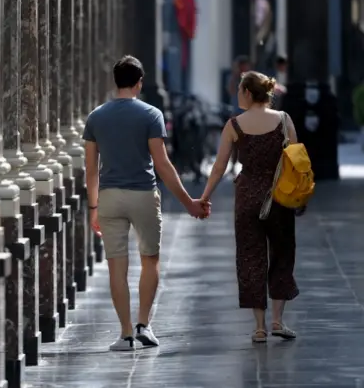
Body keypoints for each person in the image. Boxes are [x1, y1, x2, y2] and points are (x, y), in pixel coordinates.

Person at [82, 55, 210, 351]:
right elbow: (163, 164)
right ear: (139, 83)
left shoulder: (96, 117)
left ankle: (125, 334)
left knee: (117, 266)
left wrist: (93, 207)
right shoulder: (151, 114)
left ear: (116, 82)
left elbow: (90, 169)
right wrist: (189, 202)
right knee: (149, 259)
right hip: (143, 195)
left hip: (110, 198)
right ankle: (143, 325)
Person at [200, 71, 300, 343]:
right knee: (282, 254)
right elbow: (297, 159)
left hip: (247, 198)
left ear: (247, 92)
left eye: (239, 89)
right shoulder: (283, 120)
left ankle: (259, 327)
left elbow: (219, 166)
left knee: (250, 258)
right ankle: (278, 320)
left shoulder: (234, 125)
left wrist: (205, 196)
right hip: (279, 196)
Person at [227, 56, 252, 175]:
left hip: (247, 114)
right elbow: (231, 90)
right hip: (237, 114)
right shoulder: (234, 78)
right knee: (235, 141)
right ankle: (233, 165)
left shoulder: (251, 79)